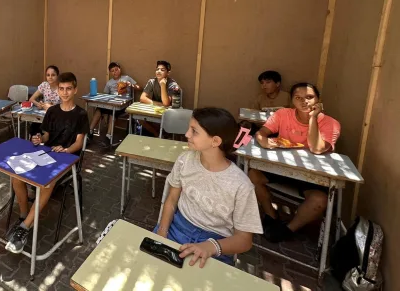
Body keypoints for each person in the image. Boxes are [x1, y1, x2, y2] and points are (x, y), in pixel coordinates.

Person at [155, 108, 262, 267]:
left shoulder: (241, 185)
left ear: (215, 141)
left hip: (216, 241)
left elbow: (244, 240)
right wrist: (162, 232)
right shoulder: (185, 160)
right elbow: (171, 199)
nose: (186, 135)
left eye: (194, 131)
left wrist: (212, 246)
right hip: (177, 227)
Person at [5, 72, 89, 254]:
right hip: (46, 154)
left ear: (75, 90)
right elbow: (46, 136)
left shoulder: (81, 114)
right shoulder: (52, 111)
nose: (65, 92)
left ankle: (24, 229)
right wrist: (38, 139)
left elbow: (78, 143)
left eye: (68, 89)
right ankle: (24, 215)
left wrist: (65, 150)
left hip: (67, 159)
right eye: (61, 89)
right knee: (16, 176)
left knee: (47, 183)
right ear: (57, 90)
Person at [249, 83, 341, 243]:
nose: (304, 102)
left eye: (309, 97)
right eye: (298, 98)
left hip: (312, 175)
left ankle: (288, 229)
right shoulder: (283, 114)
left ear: (319, 100)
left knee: (320, 201)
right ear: (292, 101)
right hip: (282, 168)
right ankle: (271, 215)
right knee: (252, 175)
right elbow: (262, 132)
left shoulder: (331, 123)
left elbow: (317, 149)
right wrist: (263, 141)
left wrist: (313, 118)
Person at [88, 62, 140, 140]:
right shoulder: (109, 83)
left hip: (124, 105)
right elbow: (105, 95)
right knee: (99, 109)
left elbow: (139, 87)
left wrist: (130, 85)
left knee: (113, 112)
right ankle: (90, 132)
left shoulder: (126, 78)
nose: (115, 72)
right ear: (110, 72)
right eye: (112, 71)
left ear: (120, 70)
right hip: (112, 103)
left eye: (116, 69)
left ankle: (108, 136)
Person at [139, 60, 180, 136]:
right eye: (157, 69)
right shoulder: (152, 81)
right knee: (140, 118)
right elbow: (142, 98)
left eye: (162, 70)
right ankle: (157, 135)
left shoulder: (172, 84)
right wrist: (158, 104)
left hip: (168, 114)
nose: (159, 71)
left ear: (168, 73)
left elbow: (166, 103)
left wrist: (163, 85)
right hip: (156, 111)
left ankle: (161, 136)